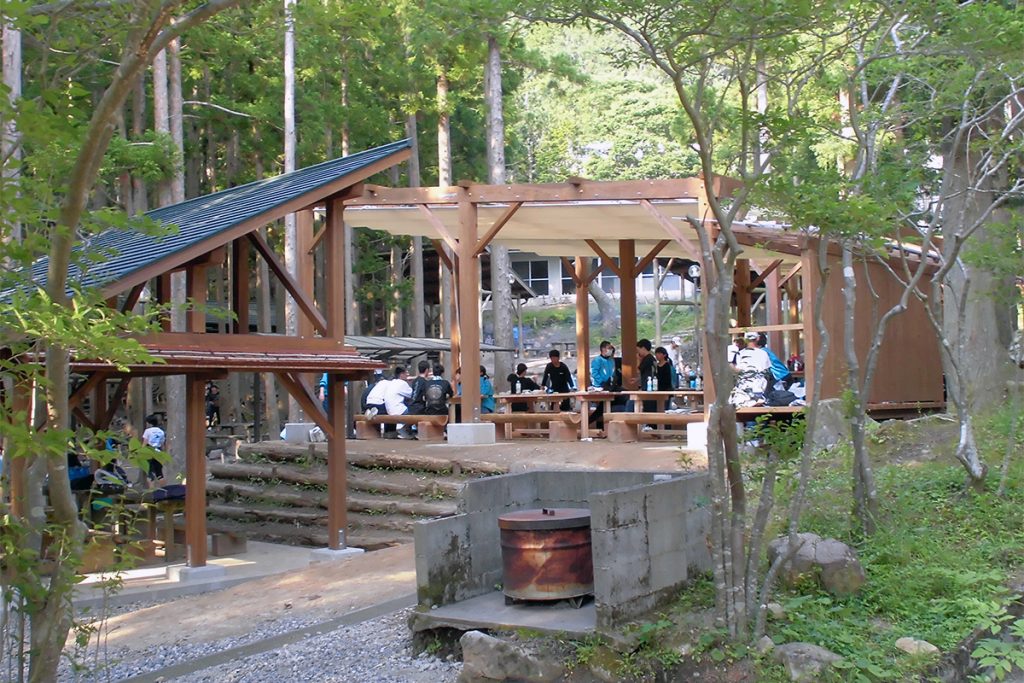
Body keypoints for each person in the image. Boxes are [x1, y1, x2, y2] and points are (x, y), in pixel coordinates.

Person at [731, 331, 771, 406]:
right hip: (760, 387)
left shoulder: (739, 354)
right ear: (758, 338)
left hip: (743, 388)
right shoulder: (763, 353)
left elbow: (736, 371)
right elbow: (767, 372)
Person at [383, 366, 413, 438]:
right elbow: (412, 395)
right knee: (416, 411)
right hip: (399, 411)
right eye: (406, 373)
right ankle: (405, 429)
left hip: (389, 411)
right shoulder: (402, 383)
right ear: (401, 374)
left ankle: (405, 430)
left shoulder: (392, 382)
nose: (407, 375)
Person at [141, 414, 166, 486]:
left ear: (149, 423)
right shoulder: (161, 431)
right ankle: (163, 489)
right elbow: (162, 444)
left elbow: (145, 443)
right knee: (159, 473)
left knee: (150, 473)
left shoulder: (147, 431)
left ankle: (151, 490)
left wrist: (141, 452)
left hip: (149, 452)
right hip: (158, 452)